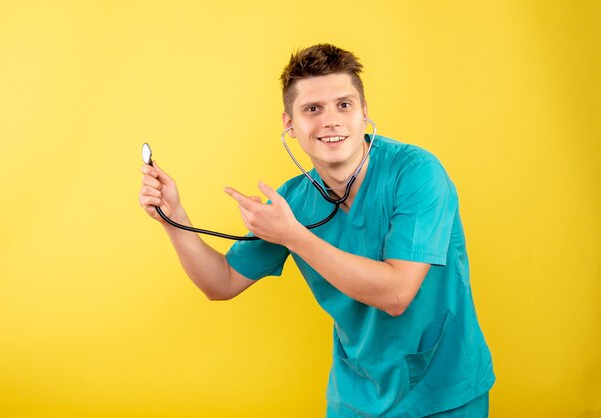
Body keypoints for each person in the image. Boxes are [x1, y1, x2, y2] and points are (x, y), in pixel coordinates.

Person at [139, 44, 495, 417]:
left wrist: (293, 236)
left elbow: (396, 294)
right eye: (313, 109)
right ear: (289, 125)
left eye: (344, 105)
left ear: (364, 113)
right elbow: (222, 282)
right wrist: (172, 218)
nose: (331, 121)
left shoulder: (417, 173)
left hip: (443, 391)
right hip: (357, 396)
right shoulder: (292, 202)